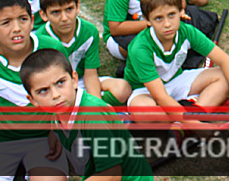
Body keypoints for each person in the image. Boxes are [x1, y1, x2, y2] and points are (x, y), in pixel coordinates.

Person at [0, 0, 69, 180]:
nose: (16, 29)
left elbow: (67, 95)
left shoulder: (53, 50)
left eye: (22, 19)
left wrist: (57, 131)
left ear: (32, 21)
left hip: (45, 138)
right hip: (1, 139)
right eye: (6, 22)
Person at [20, 48, 152, 178]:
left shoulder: (93, 117)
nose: (55, 95)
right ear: (32, 100)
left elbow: (112, 174)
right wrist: (55, 135)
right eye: (43, 91)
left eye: (60, 83)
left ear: (74, 80)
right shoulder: (58, 110)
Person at [124, 0, 229, 115]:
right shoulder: (140, 48)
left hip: (176, 81)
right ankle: (191, 116)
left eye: (171, 15)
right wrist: (197, 125)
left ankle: (192, 115)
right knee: (145, 110)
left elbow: (225, 61)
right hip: (145, 91)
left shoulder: (187, 31)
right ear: (148, 20)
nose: (167, 24)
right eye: (158, 18)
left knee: (225, 76)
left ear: (181, 12)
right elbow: (160, 96)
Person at [35, 0, 132, 104]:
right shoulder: (40, 39)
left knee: (122, 89)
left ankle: (83, 107)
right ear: (43, 15)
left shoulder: (89, 31)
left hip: (81, 81)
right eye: (56, 12)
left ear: (77, 6)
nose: (64, 18)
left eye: (69, 9)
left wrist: (96, 107)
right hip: (57, 88)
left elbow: (91, 74)